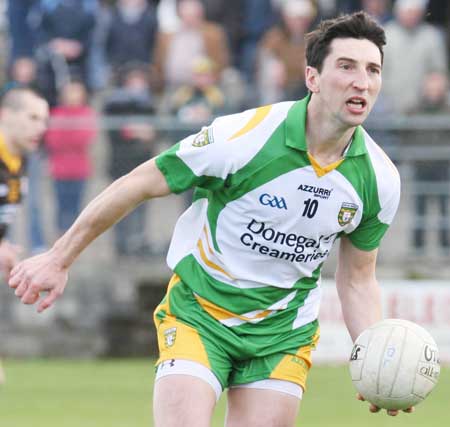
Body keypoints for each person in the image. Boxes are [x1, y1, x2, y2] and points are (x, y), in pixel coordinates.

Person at [8, 11, 406, 425]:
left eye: (373, 70)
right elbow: (138, 182)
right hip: (202, 313)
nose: (362, 81)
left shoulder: (379, 179)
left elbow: (358, 279)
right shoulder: (244, 136)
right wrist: (59, 258)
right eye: (346, 66)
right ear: (312, 78)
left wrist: (374, 360)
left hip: (282, 335)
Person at [0, 87, 49, 385]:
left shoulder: (21, 162)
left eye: (44, 120)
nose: (40, 127)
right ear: (6, 115)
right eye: (32, 117)